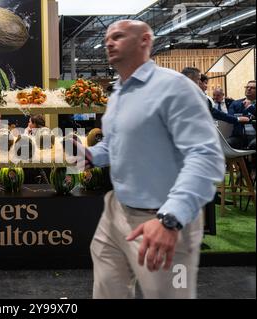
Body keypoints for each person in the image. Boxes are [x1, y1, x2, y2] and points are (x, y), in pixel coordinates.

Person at [81, 20, 225, 299]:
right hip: (116, 212)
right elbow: (113, 145)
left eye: (119, 36)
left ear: (145, 40)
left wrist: (171, 218)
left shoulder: (175, 88)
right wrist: (89, 155)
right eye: (107, 38)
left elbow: (205, 156)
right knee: (107, 290)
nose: (109, 43)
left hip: (161, 219)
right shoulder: (119, 92)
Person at [181, 68, 249, 126]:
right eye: (199, 79)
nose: (200, 83)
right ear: (190, 79)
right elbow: (215, 113)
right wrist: (237, 119)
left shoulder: (174, 93)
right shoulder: (200, 98)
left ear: (223, 94)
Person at [227, 80, 256, 149]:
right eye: (247, 87)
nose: (248, 89)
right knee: (227, 144)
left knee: (253, 144)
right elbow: (230, 118)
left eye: (252, 88)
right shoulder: (235, 103)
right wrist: (250, 117)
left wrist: (250, 107)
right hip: (239, 137)